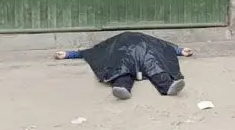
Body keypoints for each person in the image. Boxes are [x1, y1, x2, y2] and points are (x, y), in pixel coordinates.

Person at [54, 32, 194, 100]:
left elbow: (94, 51)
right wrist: (179, 50)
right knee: (151, 67)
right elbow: (165, 47)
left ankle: (167, 87)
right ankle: (122, 87)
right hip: (130, 55)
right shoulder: (118, 42)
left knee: (127, 69)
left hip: (143, 54)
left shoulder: (147, 41)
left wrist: (68, 54)